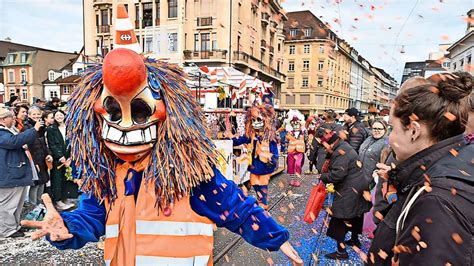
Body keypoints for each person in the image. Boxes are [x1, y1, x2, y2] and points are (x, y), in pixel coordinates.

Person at [21, 5, 303, 265]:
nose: (127, 126)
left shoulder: (191, 176)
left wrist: (275, 238)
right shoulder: (107, 176)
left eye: (142, 112)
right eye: (114, 113)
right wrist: (66, 228)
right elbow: (91, 218)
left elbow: (235, 207)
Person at [369, 72, 473, 265]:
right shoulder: (449, 169)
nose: (390, 138)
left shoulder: (436, 200)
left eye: (393, 128)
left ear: (414, 130)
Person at [317, 131, 371, 260]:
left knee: (338, 218)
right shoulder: (342, 146)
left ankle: (341, 252)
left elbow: (337, 175)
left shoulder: (341, 152)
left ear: (331, 143)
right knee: (356, 214)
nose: (325, 148)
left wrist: (322, 176)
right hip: (358, 186)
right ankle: (354, 240)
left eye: (325, 145)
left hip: (350, 189)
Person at [0, 108, 43, 238]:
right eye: (11, 117)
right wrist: (34, 130)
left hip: (13, 173)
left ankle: (14, 226)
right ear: (2, 119)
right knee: (8, 204)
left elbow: (16, 141)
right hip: (8, 175)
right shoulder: (2, 133)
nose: (14, 119)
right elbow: (13, 142)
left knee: (16, 203)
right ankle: (7, 230)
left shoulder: (7, 131)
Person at [230, 104, 279, 209]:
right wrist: (229, 140)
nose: (256, 123)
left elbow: (274, 150)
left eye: (258, 120)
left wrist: (273, 159)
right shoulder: (251, 135)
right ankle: (260, 199)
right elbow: (239, 140)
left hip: (265, 163)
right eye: (253, 120)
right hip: (254, 164)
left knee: (263, 182)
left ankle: (264, 202)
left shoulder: (270, 136)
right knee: (254, 182)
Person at [23, 106, 53, 206]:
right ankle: (33, 206)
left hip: (42, 157)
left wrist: (48, 154)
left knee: (42, 183)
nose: (36, 116)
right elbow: (27, 145)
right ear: (29, 115)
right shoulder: (26, 127)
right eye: (33, 114)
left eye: (38, 114)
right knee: (35, 184)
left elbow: (44, 143)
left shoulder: (42, 126)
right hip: (33, 159)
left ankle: (39, 205)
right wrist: (33, 162)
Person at [46, 110, 75, 211]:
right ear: (54, 117)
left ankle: (65, 197)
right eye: (57, 116)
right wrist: (60, 156)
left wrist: (71, 156)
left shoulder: (70, 127)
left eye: (61, 115)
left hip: (69, 157)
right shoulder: (51, 129)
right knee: (57, 179)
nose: (59, 117)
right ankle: (58, 200)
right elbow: (52, 144)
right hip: (58, 159)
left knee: (67, 178)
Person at [359, 119, 389, 185]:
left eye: (379, 129)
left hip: (372, 179)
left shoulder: (387, 142)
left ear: (385, 129)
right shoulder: (368, 138)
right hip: (360, 176)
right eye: (374, 128)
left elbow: (386, 162)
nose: (376, 130)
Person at [284, 110, 307, 187]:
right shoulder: (289, 132)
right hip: (291, 151)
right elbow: (286, 141)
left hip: (299, 151)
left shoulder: (303, 132)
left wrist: (308, 149)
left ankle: (297, 180)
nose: (295, 124)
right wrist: (284, 150)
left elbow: (306, 140)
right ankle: (292, 179)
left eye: (297, 122)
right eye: (293, 122)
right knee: (291, 165)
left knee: (297, 165)